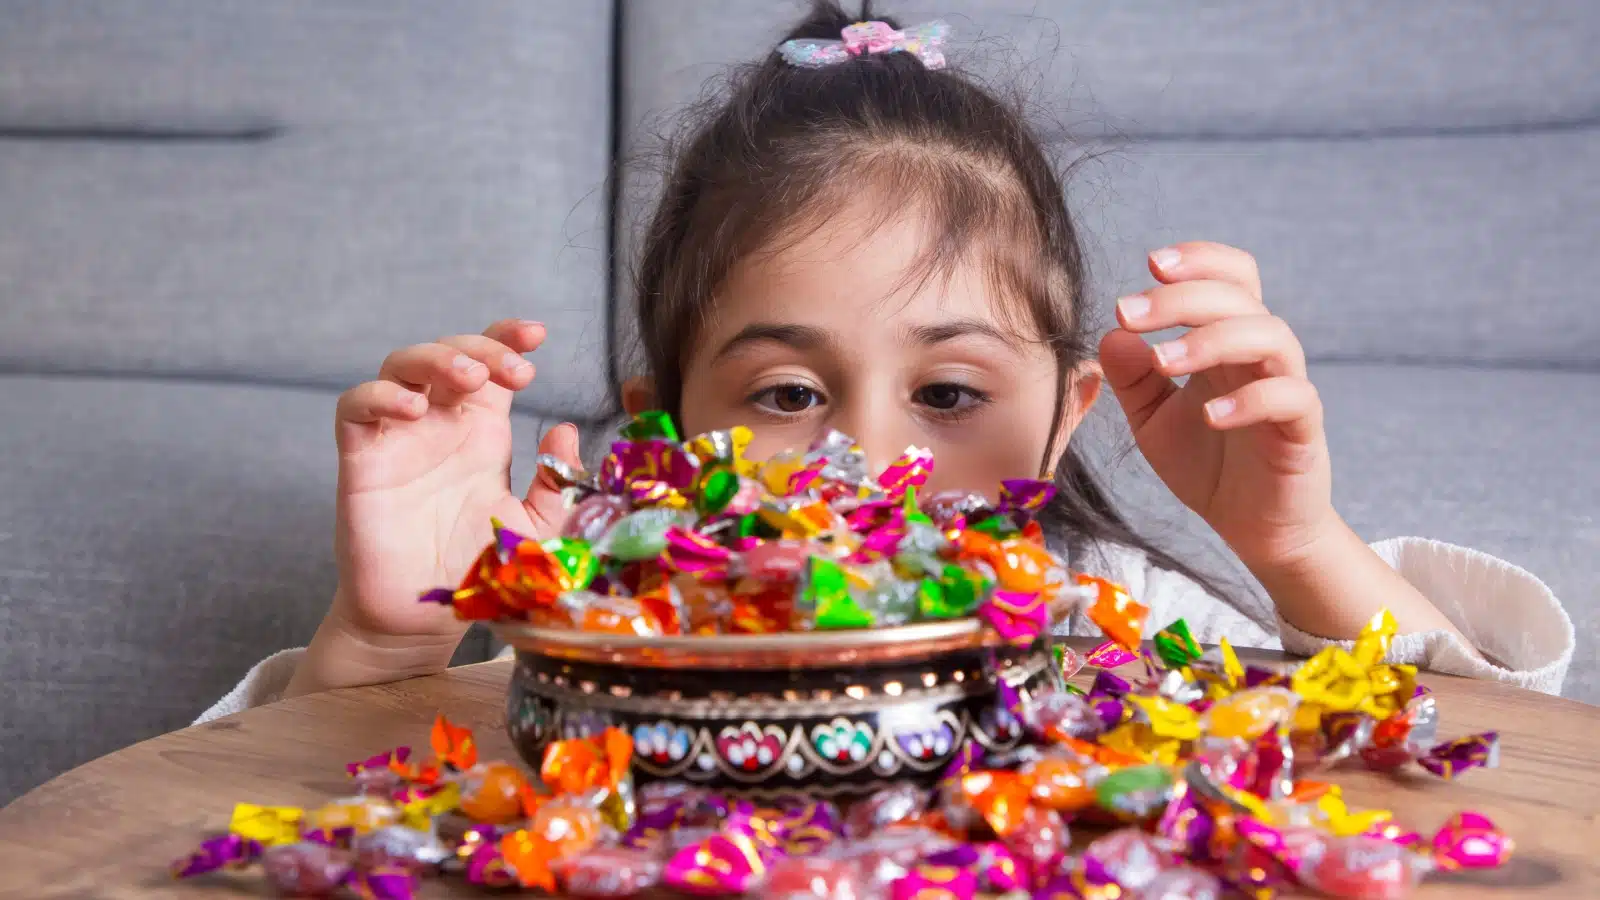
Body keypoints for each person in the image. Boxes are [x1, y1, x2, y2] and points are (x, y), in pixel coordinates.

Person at [200, 1, 1572, 721]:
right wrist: (385, 648)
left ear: (1065, 415)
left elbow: (1469, 769)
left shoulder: (1121, 622)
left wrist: (1297, 545)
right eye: (788, 396)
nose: (870, 461)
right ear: (666, 434)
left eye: (952, 395)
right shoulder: (604, 650)